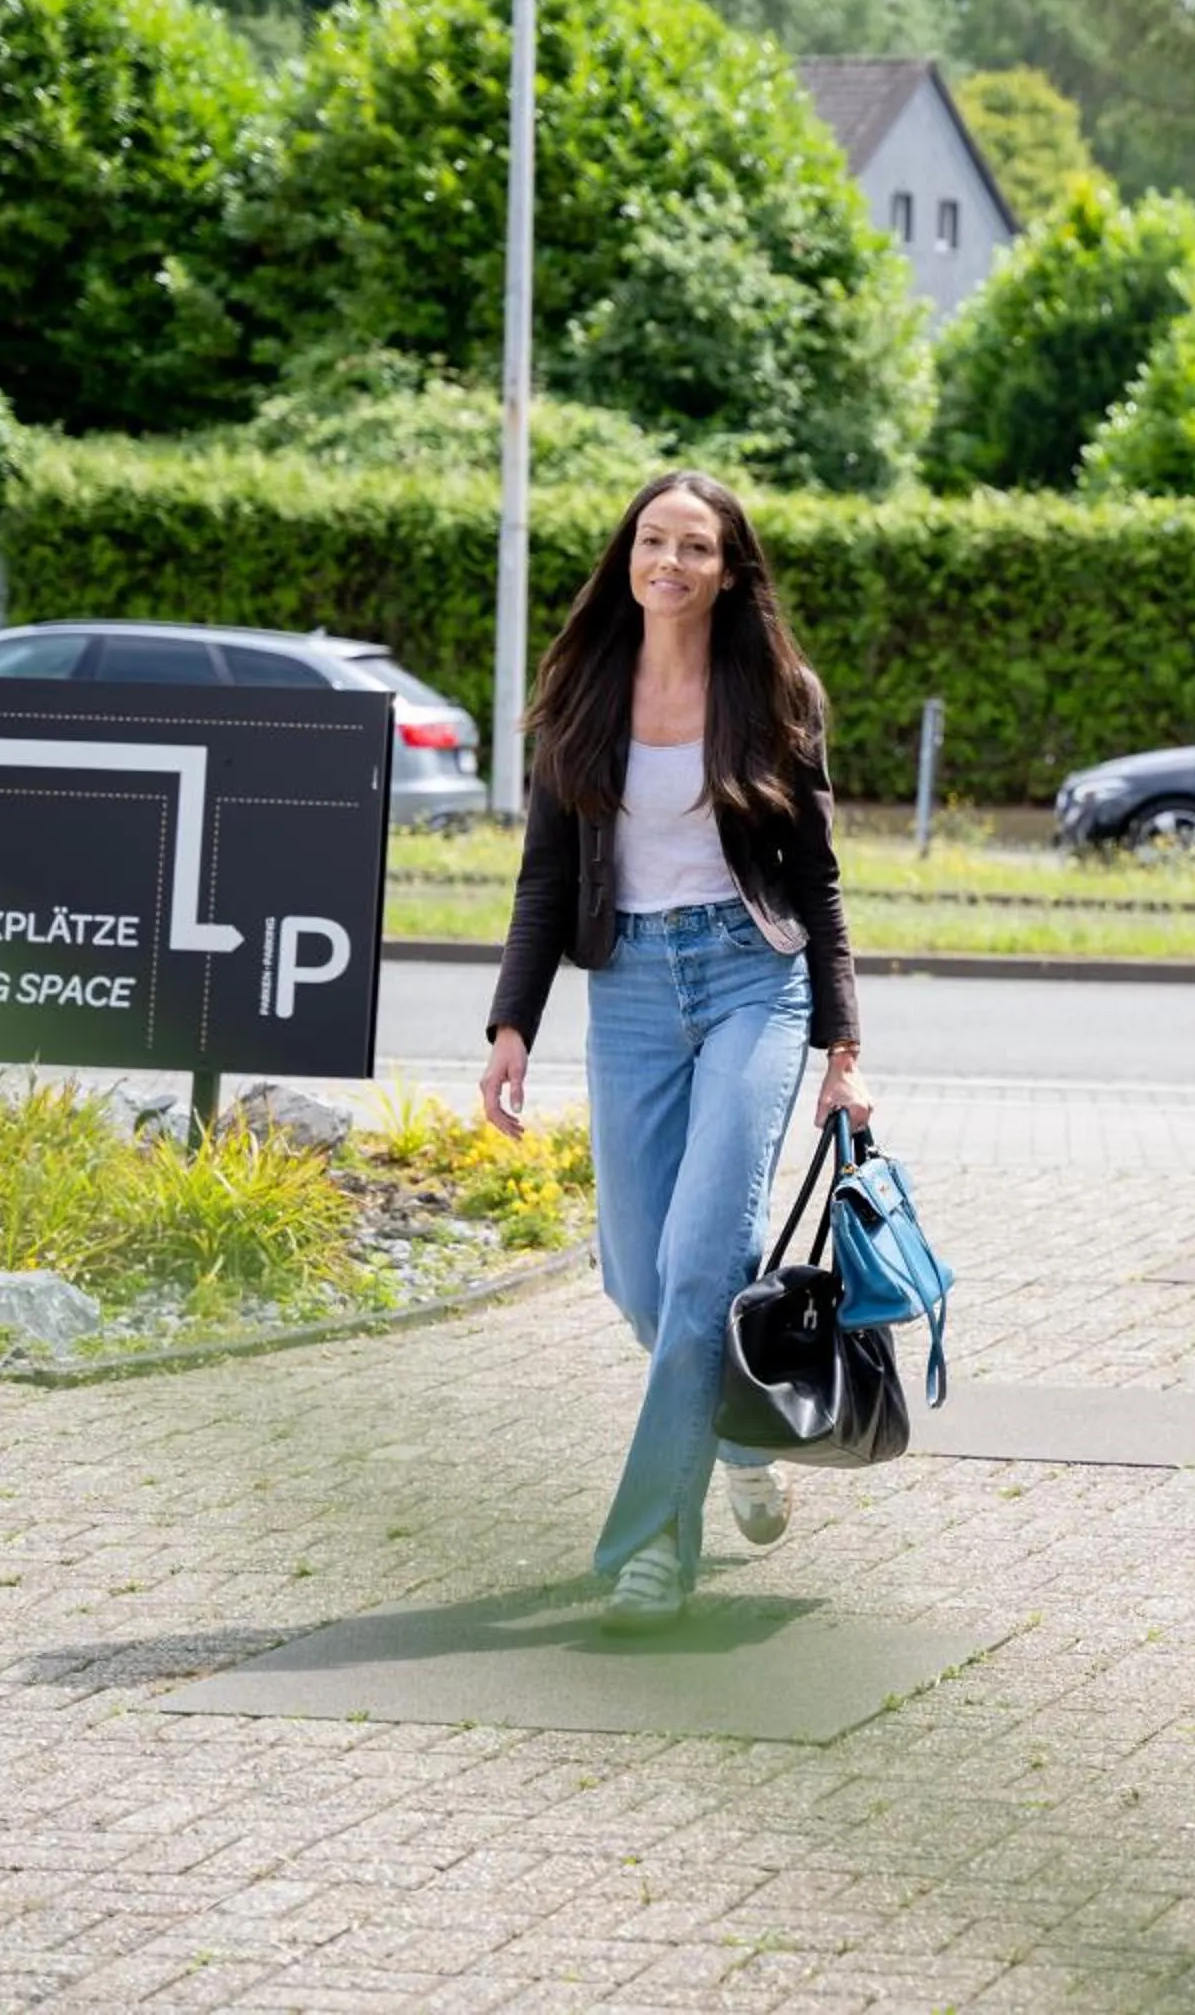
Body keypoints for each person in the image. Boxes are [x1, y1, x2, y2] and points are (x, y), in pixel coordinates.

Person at [479, 470, 872, 1634]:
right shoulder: (581, 689)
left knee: (704, 1268)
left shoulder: (774, 690)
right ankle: (741, 1426)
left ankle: (653, 1549)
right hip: (631, 988)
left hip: (751, 977)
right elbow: (547, 875)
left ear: (728, 570)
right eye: (654, 540)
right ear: (629, 556)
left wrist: (842, 1044)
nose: (670, 562)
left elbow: (819, 881)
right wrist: (512, 1027)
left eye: (695, 547)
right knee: (640, 1282)